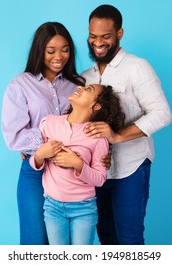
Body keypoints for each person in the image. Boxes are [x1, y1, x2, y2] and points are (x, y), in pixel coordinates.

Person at [82, 4, 172, 245]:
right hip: (97, 173)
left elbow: (162, 113)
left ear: (119, 34)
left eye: (105, 37)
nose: (97, 43)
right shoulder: (85, 77)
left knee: (130, 241)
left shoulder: (137, 67)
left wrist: (117, 136)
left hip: (131, 169)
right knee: (107, 239)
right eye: (92, 36)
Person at [1, 22, 86, 245]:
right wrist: (41, 148)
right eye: (51, 51)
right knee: (35, 243)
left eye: (65, 49)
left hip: (69, 174)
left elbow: (86, 129)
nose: (59, 56)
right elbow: (14, 135)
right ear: (40, 50)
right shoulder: (20, 85)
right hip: (35, 172)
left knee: (66, 246)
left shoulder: (78, 86)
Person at [29, 84, 125, 245]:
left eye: (89, 89)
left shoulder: (98, 137)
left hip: (84, 209)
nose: (81, 87)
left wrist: (78, 164)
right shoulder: (49, 123)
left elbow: (100, 179)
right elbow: (35, 163)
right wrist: (40, 154)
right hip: (52, 207)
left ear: (96, 106)